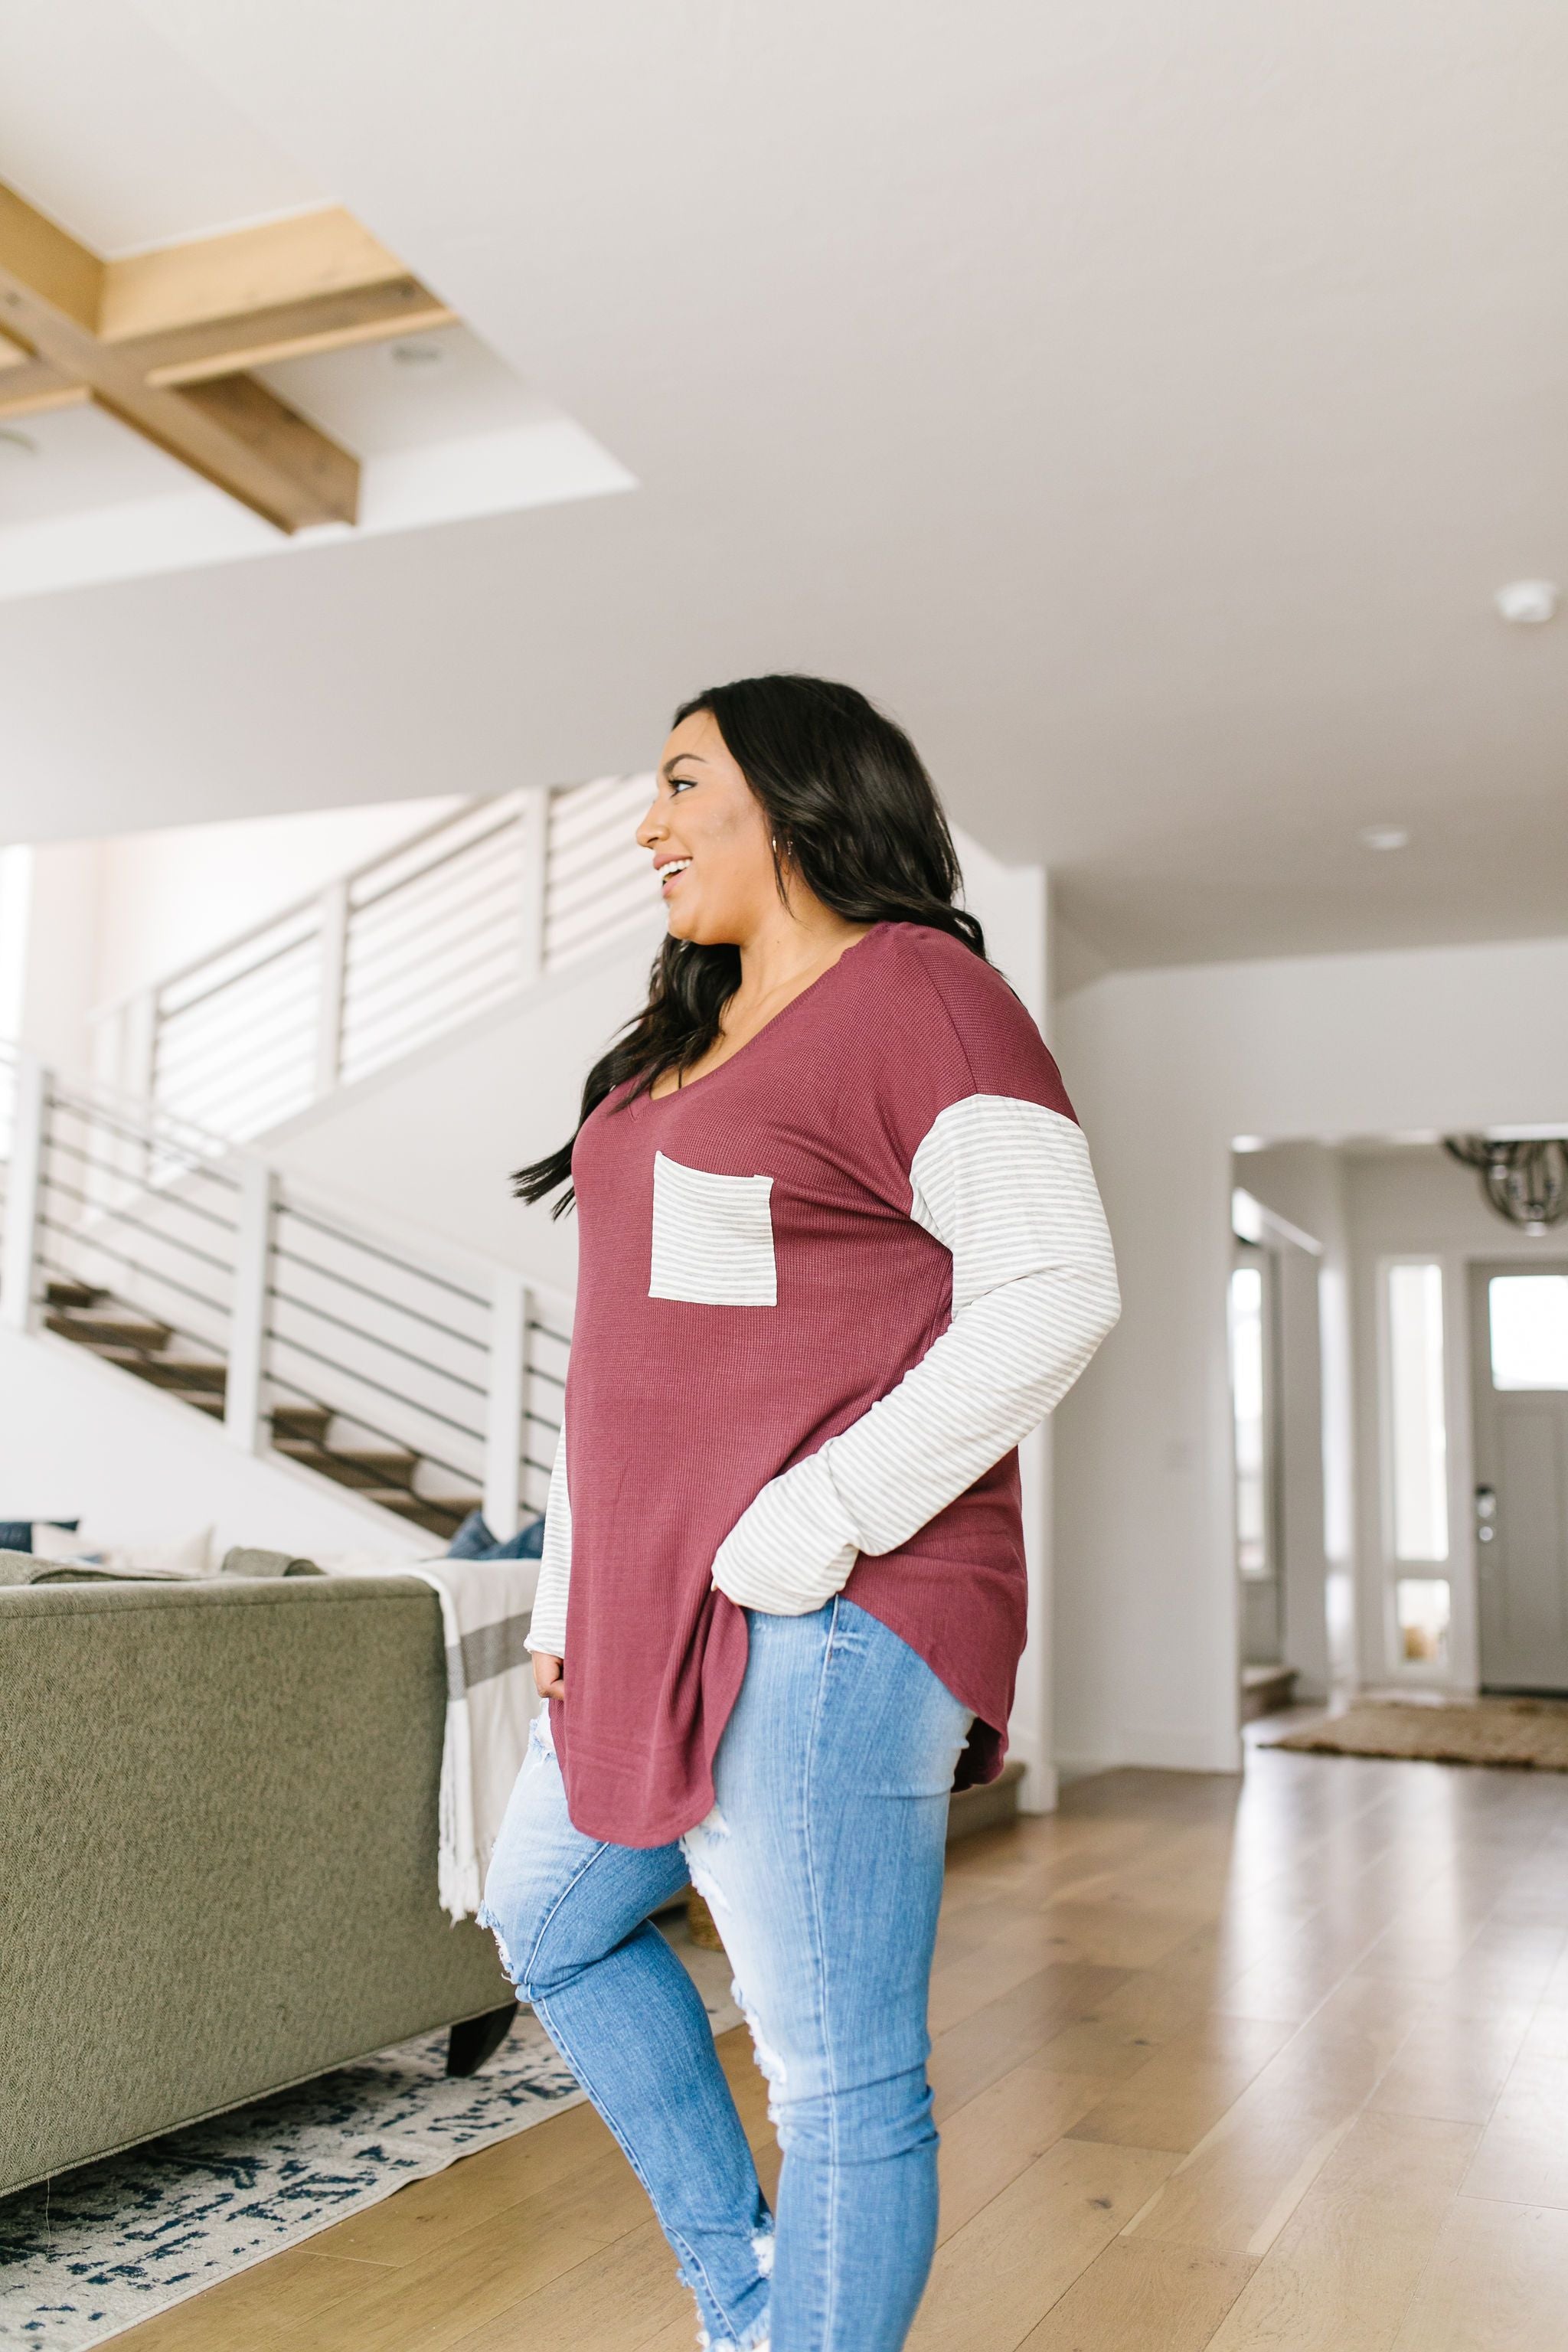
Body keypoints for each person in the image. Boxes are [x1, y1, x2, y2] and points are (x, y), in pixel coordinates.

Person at [478, 674, 1119, 2352]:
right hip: (644, 1601)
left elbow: (1053, 1290)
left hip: (824, 1607)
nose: (647, 824)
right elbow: (625, 1359)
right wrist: (567, 1601)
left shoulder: (924, 994)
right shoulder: (672, 1046)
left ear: (794, 797)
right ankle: (753, 2302)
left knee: (836, 2073)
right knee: (546, 1920)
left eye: (683, 783)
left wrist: (806, 1526)